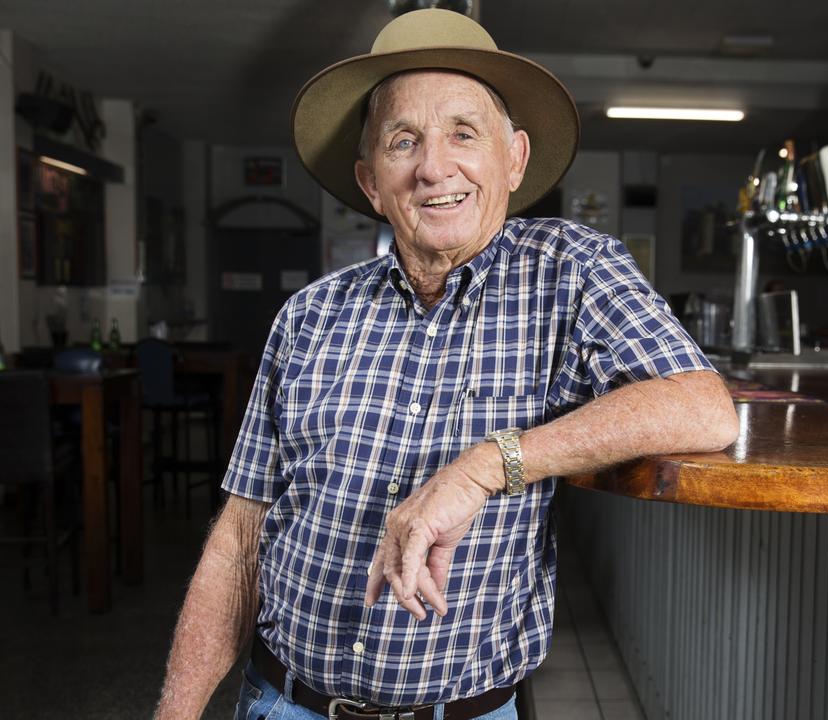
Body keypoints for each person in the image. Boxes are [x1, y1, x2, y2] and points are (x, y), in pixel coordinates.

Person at [154, 9, 738, 720]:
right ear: (371, 182)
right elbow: (241, 542)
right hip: (283, 702)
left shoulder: (568, 270)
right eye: (405, 142)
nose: (434, 167)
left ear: (513, 158)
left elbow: (701, 404)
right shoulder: (306, 316)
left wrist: (486, 466)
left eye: (464, 133)